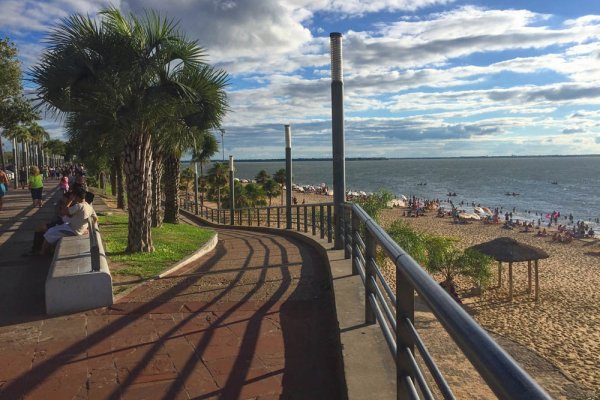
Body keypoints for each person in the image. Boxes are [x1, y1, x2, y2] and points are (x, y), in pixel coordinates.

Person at [40, 187, 97, 255]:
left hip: (72, 230)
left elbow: (63, 211)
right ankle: (47, 251)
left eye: (74, 196)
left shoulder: (79, 206)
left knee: (49, 232)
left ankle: (42, 253)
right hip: (78, 230)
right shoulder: (89, 207)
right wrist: (86, 227)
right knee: (52, 230)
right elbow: (95, 218)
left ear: (76, 196)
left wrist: (70, 200)